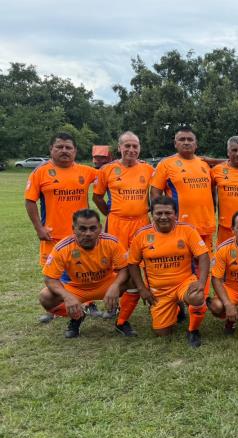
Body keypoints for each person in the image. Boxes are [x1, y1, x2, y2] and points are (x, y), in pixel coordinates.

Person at [25, 132, 98, 322]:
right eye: (60, 147)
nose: (64, 151)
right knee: (53, 276)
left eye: (68, 147)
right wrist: (39, 229)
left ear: (75, 151)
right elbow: (30, 201)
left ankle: (89, 304)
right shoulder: (40, 172)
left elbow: (108, 180)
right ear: (51, 149)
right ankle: (53, 309)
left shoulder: (86, 171)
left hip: (82, 236)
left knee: (84, 272)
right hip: (53, 236)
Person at [127, 196, 210, 347]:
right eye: (159, 213)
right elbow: (132, 263)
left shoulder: (187, 230)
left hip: (183, 283)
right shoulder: (142, 234)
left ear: (175, 214)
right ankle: (177, 306)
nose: (163, 217)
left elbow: (203, 256)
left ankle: (193, 330)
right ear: (152, 214)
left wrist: (201, 282)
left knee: (197, 297)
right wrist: (142, 289)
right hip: (159, 290)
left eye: (168, 213)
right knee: (162, 333)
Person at [92, 131, 154, 332]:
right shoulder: (107, 170)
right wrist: (110, 214)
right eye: (127, 145)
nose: (131, 150)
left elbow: (157, 193)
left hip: (142, 223)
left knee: (146, 264)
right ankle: (113, 305)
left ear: (140, 149)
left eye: (135, 146)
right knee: (119, 267)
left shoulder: (148, 169)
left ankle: (162, 302)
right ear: (119, 147)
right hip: (117, 224)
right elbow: (98, 197)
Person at [38, 209, 133, 338]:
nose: (88, 233)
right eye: (82, 229)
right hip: (77, 288)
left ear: (99, 228)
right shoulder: (63, 247)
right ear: (73, 228)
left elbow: (125, 268)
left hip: (106, 285)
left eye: (92, 228)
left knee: (134, 281)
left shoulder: (111, 242)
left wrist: (115, 286)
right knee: (45, 297)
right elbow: (49, 279)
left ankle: (122, 321)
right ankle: (77, 316)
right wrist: (67, 296)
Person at [149, 126, 215, 248]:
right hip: (179, 226)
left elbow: (211, 192)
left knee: (205, 264)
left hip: (205, 226)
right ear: (175, 143)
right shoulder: (166, 164)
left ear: (196, 144)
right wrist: (161, 218)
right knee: (183, 265)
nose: (186, 142)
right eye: (182, 139)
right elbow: (155, 194)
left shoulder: (205, 164)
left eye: (190, 139)